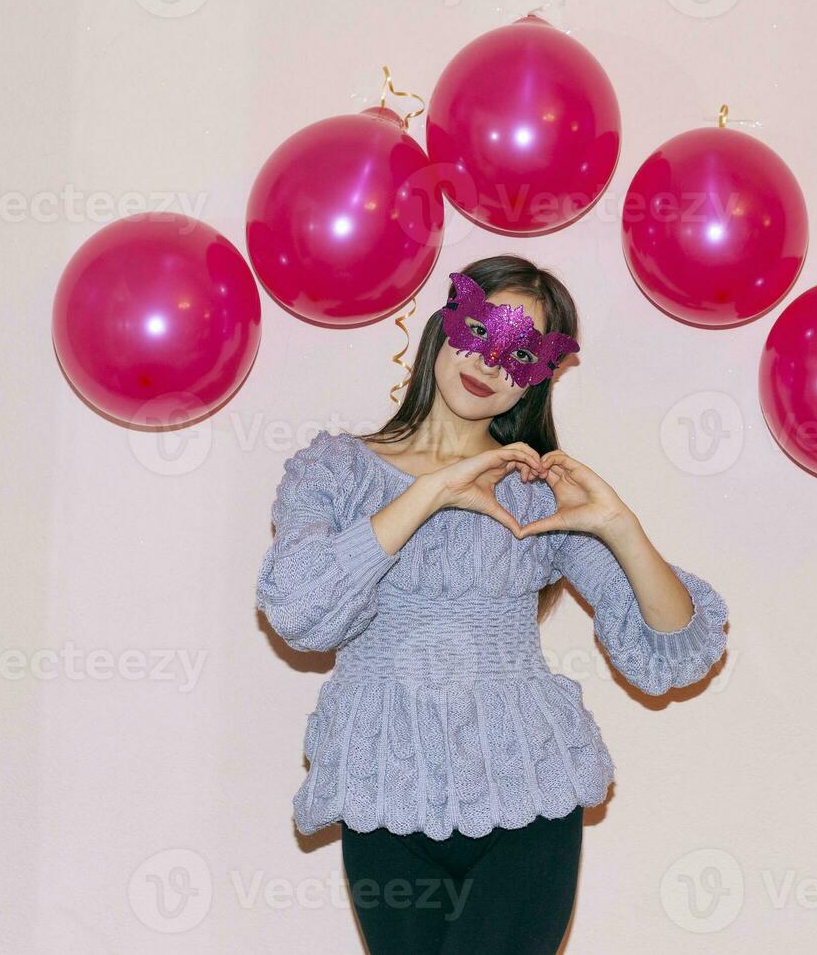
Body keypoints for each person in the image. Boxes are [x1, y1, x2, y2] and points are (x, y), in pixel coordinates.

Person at [255, 254, 729, 954]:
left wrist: (619, 526)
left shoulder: (536, 493)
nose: (492, 362)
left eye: (522, 353)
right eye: (480, 329)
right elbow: (297, 609)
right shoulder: (334, 470)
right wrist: (430, 492)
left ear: (540, 376)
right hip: (385, 786)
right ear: (445, 324)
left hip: (526, 792)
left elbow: (676, 648)